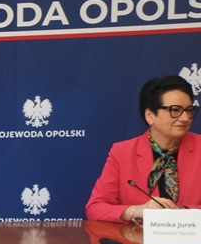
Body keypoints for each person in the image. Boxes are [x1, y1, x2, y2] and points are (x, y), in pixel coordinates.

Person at [86, 75, 201, 222]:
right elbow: (95, 208)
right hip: (138, 236)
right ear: (150, 115)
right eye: (175, 110)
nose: (185, 118)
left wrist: (182, 212)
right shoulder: (123, 152)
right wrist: (138, 211)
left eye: (189, 110)